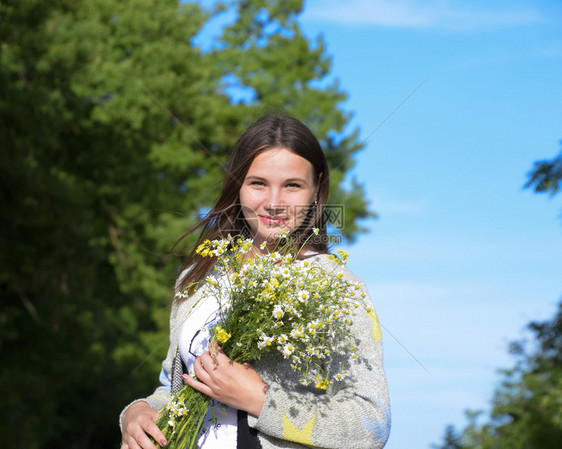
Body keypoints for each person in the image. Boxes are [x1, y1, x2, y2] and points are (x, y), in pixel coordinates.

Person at [119, 114, 391, 449]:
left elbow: (371, 426)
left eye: (292, 185)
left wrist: (260, 401)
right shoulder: (198, 275)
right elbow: (175, 384)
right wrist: (139, 411)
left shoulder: (338, 288)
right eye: (258, 183)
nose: (274, 202)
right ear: (237, 185)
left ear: (316, 189)